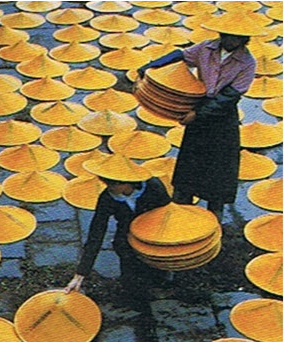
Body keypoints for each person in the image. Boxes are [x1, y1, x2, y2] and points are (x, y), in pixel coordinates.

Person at [137, 12, 261, 222]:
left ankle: (215, 209)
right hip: (200, 105)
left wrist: (197, 114)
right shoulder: (206, 48)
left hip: (222, 116)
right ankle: (182, 201)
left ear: (244, 39)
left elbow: (230, 95)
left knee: (219, 165)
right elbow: (181, 55)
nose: (231, 40)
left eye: (236, 38)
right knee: (190, 159)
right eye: (228, 35)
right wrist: (149, 66)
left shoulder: (247, 63)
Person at [65, 156, 171, 313]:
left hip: (154, 232)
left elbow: (168, 213)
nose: (110, 188)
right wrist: (80, 274)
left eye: (114, 184)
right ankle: (136, 300)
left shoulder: (153, 187)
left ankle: (159, 283)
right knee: (130, 274)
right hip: (127, 237)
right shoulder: (107, 198)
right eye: (107, 183)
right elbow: (97, 232)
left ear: (128, 182)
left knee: (156, 267)